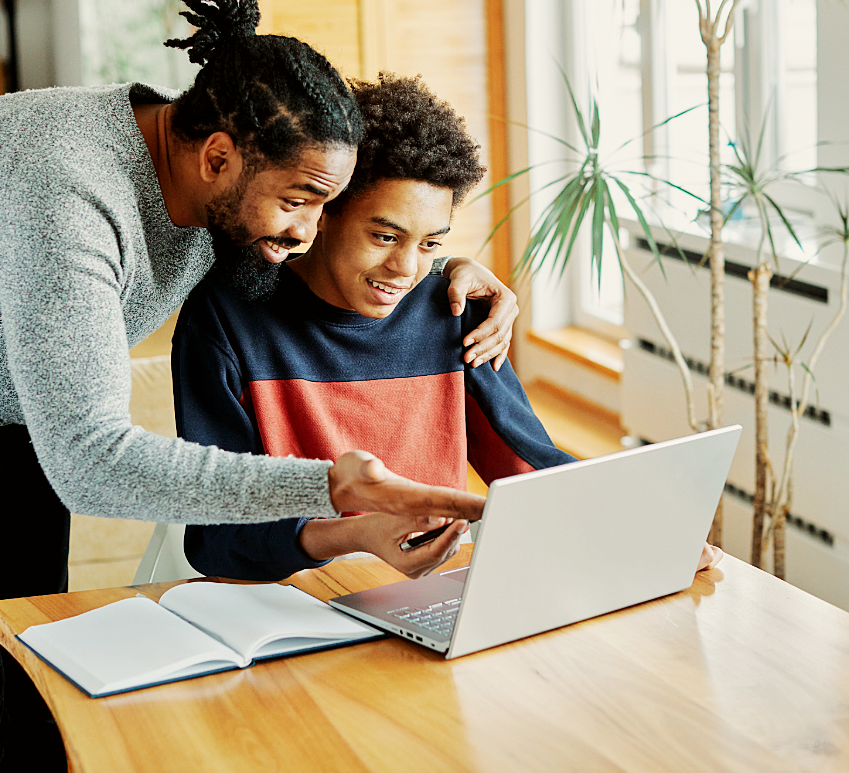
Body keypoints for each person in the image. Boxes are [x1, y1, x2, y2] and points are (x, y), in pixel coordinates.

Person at [0, 0, 511, 772]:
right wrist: (330, 487)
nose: (306, 231)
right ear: (218, 157)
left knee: (31, 665)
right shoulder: (69, 191)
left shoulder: (228, 166)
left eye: (321, 206)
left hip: (15, 402)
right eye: (299, 203)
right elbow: (90, 464)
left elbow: (340, 251)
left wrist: (448, 274)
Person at [173, 73, 576, 582]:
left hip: (431, 597)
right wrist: (358, 534)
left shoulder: (453, 308)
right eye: (385, 236)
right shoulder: (227, 318)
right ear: (324, 212)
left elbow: (530, 468)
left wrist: (636, 531)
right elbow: (217, 539)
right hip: (291, 600)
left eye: (431, 244)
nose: (406, 269)